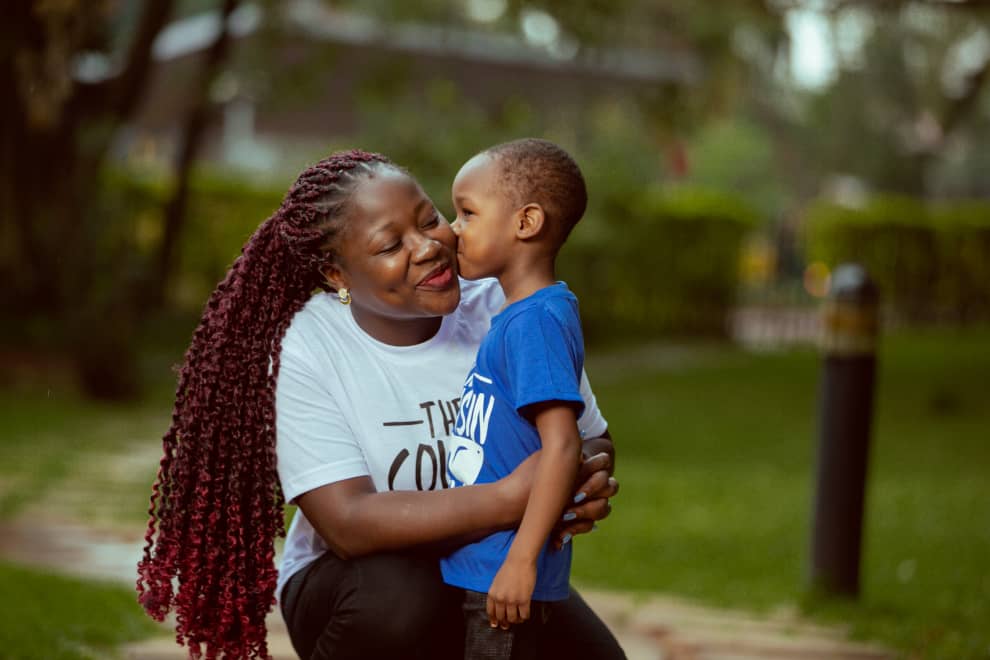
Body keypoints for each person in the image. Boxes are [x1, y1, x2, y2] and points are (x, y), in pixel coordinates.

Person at [137, 149, 622, 660]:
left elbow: (585, 433)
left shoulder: (503, 303)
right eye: (391, 245)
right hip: (358, 585)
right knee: (400, 599)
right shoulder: (306, 345)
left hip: (481, 560)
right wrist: (511, 497)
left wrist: (584, 475)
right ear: (337, 275)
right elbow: (348, 522)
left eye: (430, 219)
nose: (430, 246)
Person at [441, 138, 592, 659]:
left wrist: (522, 560)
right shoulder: (521, 315)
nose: (452, 228)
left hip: (502, 577)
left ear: (525, 223)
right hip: (483, 567)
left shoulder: (535, 322)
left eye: (467, 213)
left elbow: (563, 447)